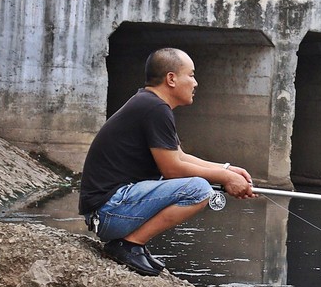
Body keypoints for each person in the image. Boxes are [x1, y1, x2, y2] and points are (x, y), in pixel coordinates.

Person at [78, 48, 256, 275]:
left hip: (107, 211)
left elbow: (179, 156)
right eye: (191, 75)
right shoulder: (154, 108)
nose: (196, 83)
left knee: (198, 184)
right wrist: (225, 178)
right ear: (171, 78)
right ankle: (129, 245)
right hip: (108, 211)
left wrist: (227, 170)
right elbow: (172, 169)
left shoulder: (150, 104)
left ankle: (133, 244)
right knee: (199, 190)